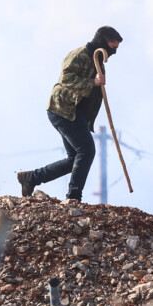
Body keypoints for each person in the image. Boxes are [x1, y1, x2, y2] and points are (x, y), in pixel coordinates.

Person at [17, 27, 122, 203]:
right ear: (103, 42)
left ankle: (31, 178)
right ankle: (74, 196)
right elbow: (66, 79)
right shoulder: (79, 55)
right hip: (63, 110)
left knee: (74, 159)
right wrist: (93, 82)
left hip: (74, 113)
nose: (114, 52)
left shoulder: (97, 61)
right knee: (86, 151)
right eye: (112, 47)